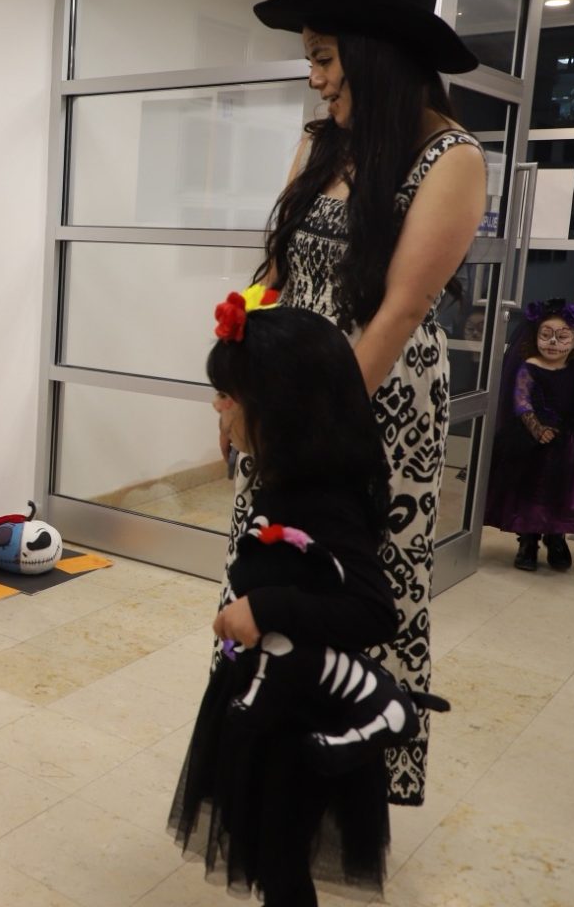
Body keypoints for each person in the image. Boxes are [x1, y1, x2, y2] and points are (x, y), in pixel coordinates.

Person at [222, 0, 488, 807]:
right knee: (269, 578)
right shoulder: (319, 141)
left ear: (375, 55)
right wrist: (239, 379)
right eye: (311, 56)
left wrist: (307, 428)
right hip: (284, 403)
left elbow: (401, 312)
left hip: (374, 413)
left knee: (355, 584)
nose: (315, 77)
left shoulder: (450, 156)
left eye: (325, 57)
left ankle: (343, 787)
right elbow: (274, 268)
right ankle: (266, 766)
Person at [173, 289, 441, 907]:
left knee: (282, 853)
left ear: (282, 408)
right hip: (272, 693)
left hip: (301, 716)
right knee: (271, 848)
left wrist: (265, 609)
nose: (218, 407)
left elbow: (373, 611)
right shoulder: (286, 477)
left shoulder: (321, 497)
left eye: (229, 396)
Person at [483, 300, 574, 569]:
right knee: (531, 490)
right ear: (535, 337)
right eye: (546, 335)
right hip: (533, 443)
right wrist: (537, 429)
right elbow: (522, 403)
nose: (553, 342)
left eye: (562, 336)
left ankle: (556, 538)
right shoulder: (530, 367)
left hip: (570, 443)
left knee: (563, 491)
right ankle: (528, 541)